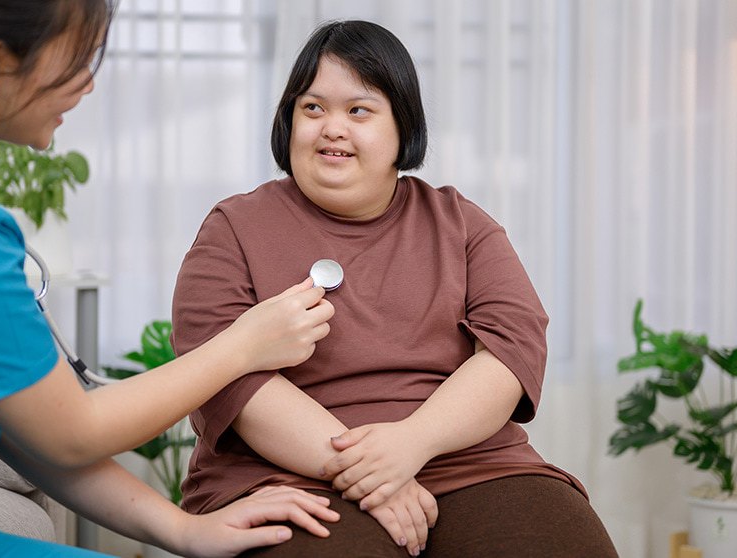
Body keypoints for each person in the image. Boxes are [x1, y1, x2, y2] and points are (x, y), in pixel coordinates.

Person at [171, 19, 619, 558]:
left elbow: (512, 349)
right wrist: (373, 471)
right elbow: (224, 376)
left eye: (359, 110)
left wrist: (412, 442)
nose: (332, 128)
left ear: (402, 127)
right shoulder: (233, 228)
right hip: (282, 474)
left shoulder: (462, 224)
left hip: (469, 463)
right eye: (312, 108)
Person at [0, 2, 340, 557]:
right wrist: (244, 346)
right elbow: (71, 432)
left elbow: (20, 421)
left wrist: (183, 530)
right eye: (77, 61)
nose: (88, 83)